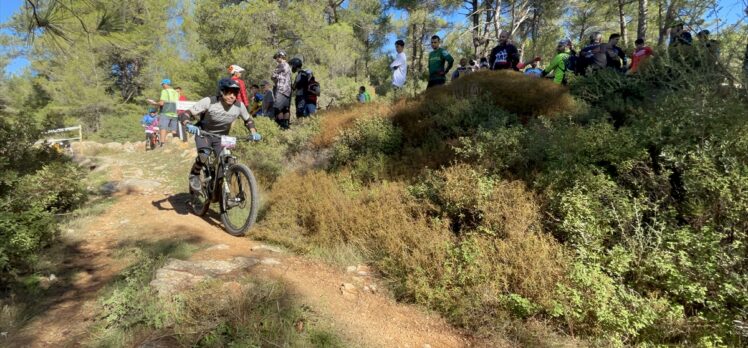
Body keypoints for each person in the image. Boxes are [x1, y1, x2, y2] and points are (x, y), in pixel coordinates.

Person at [181, 78, 261, 192]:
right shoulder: (209, 101)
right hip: (204, 133)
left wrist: (254, 132)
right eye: (229, 93)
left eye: (235, 93)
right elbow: (186, 114)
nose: (232, 96)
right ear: (221, 92)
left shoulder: (239, 106)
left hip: (223, 136)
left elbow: (248, 120)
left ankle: (219, 189)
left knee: (228, 160)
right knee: (204, 155)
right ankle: (194, 174)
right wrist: (188, 124)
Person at [148, 79, 180, 147]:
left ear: (166, 84)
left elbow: (162, 103)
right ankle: (175, 143)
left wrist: (154, 103)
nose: (162, 86)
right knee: (174, 130)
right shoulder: (176, 92)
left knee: (163, 128)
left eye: (162, 84)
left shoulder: (164, 91)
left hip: (165, 112)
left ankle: (162, 143)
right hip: (174, 113)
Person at [271, 50, 292, 129]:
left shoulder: (281, 65)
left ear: (280, 56)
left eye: (276, 57)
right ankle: (286, 124)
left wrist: (275, 81)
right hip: (288, 90)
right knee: (286, 108)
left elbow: (273, 76)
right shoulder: (288, 66)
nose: (276, 59)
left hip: (281, 89)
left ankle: (281, 125)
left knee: (277, 108)